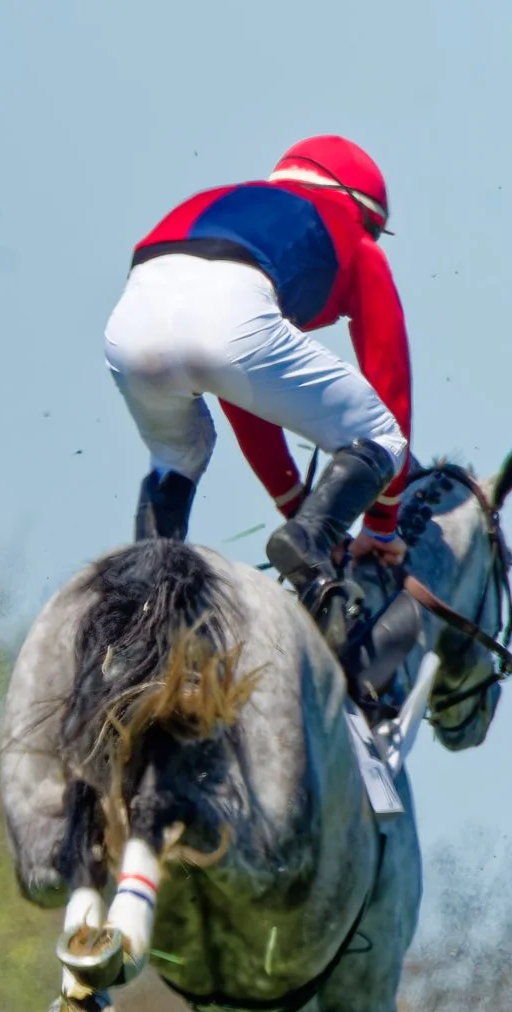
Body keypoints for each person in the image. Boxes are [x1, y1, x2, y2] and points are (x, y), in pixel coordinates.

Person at [105, 134, 412, 656]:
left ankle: (144, 602)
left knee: (179, 452)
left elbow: (243, 392)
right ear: (366, 213)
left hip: (130, 320)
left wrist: (296, 502)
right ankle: (309, 545)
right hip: (232, 307)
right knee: (382, 433)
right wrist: (379, 527)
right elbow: (391, 387)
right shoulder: (352, 232)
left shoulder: (249, 202)